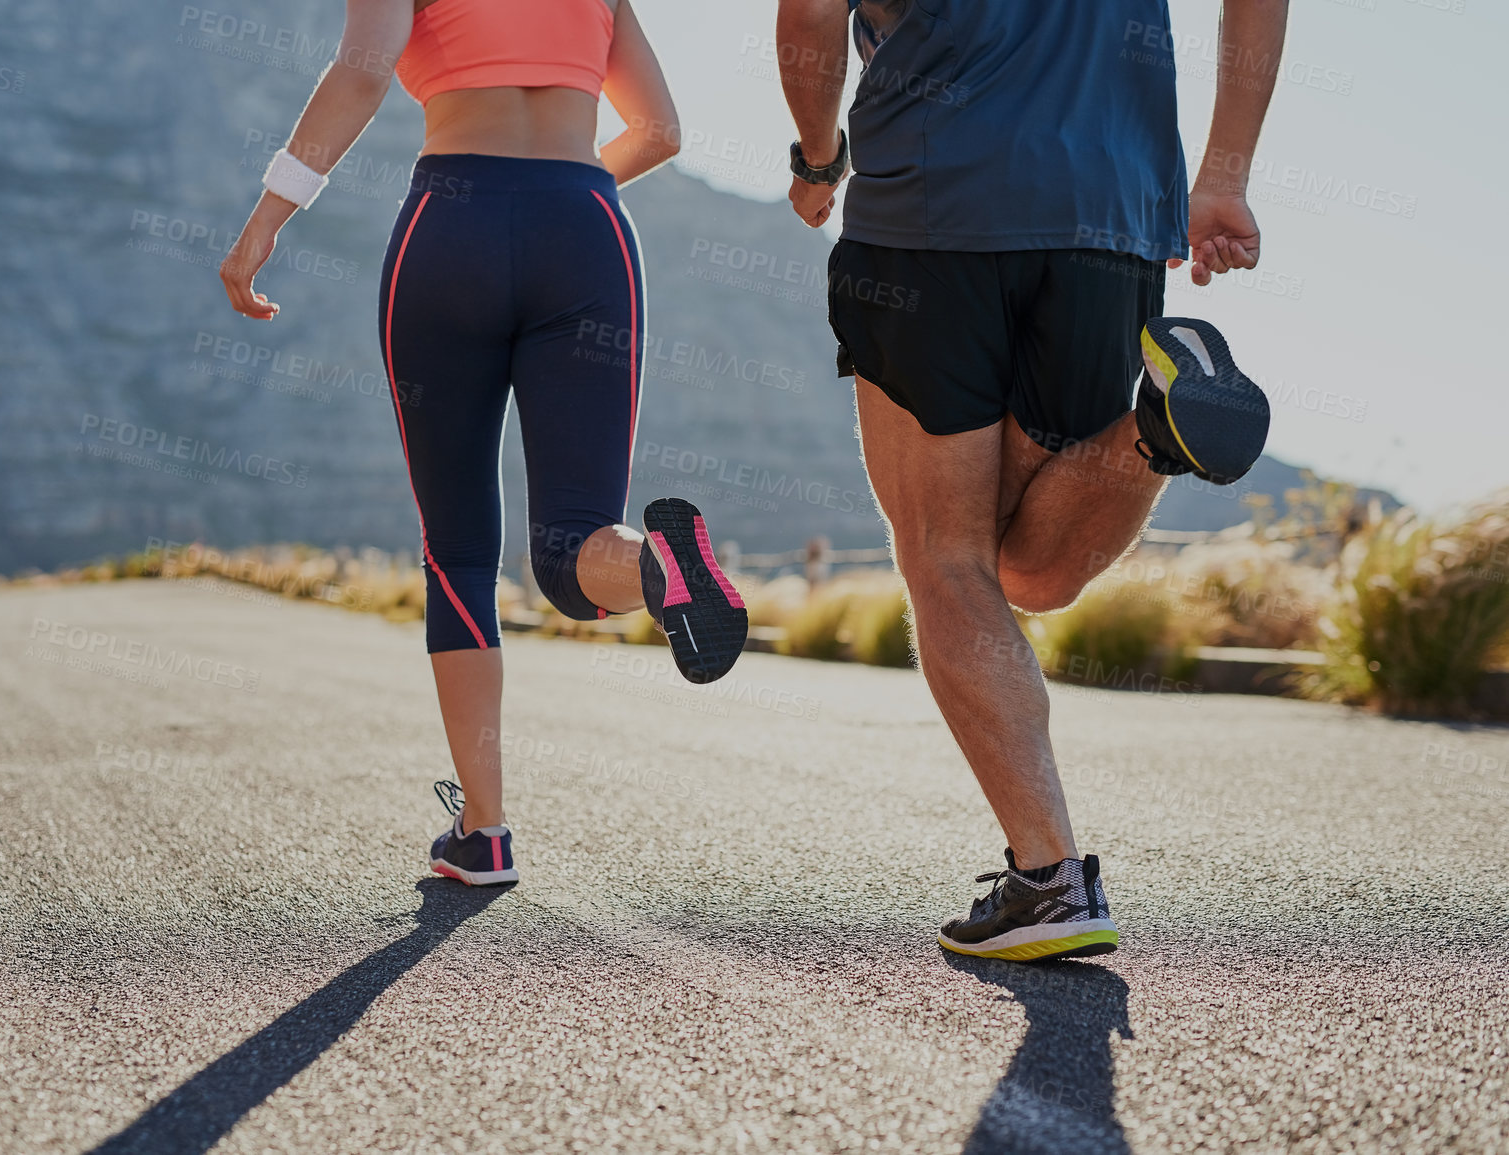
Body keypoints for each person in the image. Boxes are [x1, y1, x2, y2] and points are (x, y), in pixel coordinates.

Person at [776, 0, 1285, 960]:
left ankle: (1050, 879)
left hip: (931, 204)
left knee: (946, 560)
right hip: (1114, 213)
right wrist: (1222, 177)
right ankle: (1156, 430)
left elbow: (807, 11)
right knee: (1030, 576)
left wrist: (815, 155)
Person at [218, 0, 749, 887]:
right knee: (573, 542)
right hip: (586, 229)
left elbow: (360, 70)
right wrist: (565, 197)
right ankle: (657, 567)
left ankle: (487, 832)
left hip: (450, 229)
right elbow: (657, 131)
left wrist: (268, 215)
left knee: (460, 550)